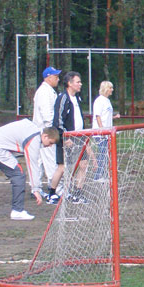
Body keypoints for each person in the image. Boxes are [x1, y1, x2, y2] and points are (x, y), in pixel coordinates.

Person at [0, 120, 60, 220]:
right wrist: (35, 189)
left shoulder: (32, 128)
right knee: (18, 175)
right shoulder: (34, 139)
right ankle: (17, 211)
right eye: (50, 143)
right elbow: (33, 165)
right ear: (45, 136)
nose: (49, 146)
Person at [50, 71, 86, 204]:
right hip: (66, 138)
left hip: (79, 137)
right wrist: (65, 137)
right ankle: (52, 193)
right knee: (63, 166)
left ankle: (77, 192)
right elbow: (58, 121)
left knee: (83, 164)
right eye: (78, 82)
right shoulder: (63, 98)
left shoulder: (78, 98)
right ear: (69, 84)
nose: (80, 84)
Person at [32, 66, 61, 196]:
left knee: (38, 162)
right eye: (56, 77)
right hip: (45, 132)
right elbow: (47, 115)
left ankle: (36, 188)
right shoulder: (44, 92)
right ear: (49, 78)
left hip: (41, 131)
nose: (58, 79)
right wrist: (53, 131)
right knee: (49, 161)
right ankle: (54, 189)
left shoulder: (48, 91)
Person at [92, 81, 120, 180]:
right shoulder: (99, 100)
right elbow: (98, 116)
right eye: (110, 88)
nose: (112, 90)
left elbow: (105, 116)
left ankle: (103, 174)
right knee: (102, 153)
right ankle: (97, 176)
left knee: (105, 154)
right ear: (105, 89)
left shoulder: (107, 101)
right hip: (100, 134)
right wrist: (102, 130)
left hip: (107, 132)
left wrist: (114, 117)